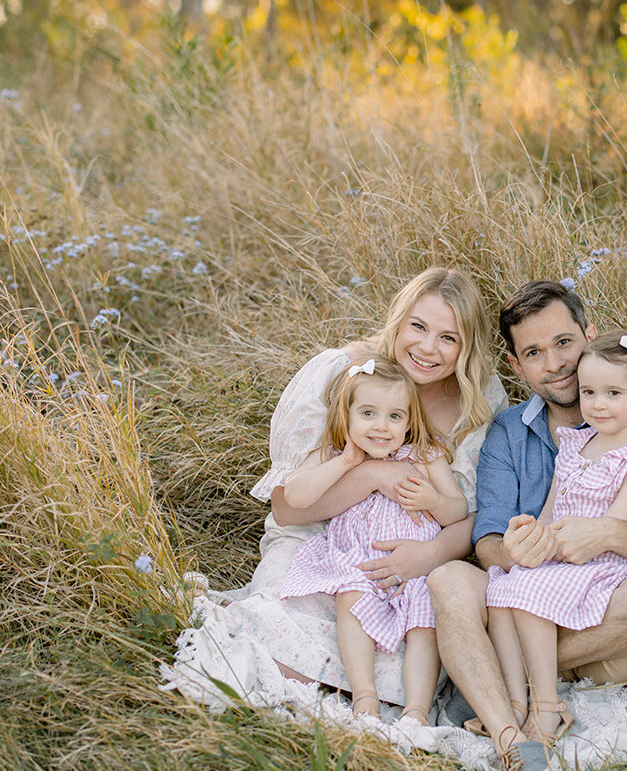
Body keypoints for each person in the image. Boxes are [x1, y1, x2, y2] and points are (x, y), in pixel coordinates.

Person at [163, 268, 508, 710]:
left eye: (448, 337)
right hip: (318, 539)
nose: (426, 348)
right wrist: (370, 476)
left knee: (414, 651)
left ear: (467, 347)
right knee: (275, 629)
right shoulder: (339, 372)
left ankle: (363, 693)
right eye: (418, 327)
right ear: (398, 321)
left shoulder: (479, 401)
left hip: (414, 553)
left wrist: (430, 555)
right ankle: (332, 685)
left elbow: (474, 511)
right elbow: (288, 509)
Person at [427, 281, 627, 771]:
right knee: (449, 578)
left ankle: (488, 679)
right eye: (534, 353)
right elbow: (487, 543)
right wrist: (522, 545)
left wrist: (608, 533)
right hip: (534, 591)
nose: (556, 364)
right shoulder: (509, 433)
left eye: (564, 343)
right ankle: (515, 743)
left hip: (612, 625)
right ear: (517, 367)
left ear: (590, 335)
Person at [483, 332, 627, 749]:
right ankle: (515, 702)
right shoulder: (575, 444)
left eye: (614, 392)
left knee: (530, 590)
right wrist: (533, 537)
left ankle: (546, 706)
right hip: (563, 554)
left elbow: (612, 532)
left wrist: (554, 549)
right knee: (500, 587)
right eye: (589, 392)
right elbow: (552, 510)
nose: (598, 404)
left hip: (604, 566)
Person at [273, 354, 467, 724]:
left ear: (410, 420)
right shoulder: (334, 453)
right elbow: (295, 496)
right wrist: (346, 462)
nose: (382, 427)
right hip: (356, 560)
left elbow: (457, 510)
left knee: (424, 621)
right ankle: (365, 696)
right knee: (352, 599)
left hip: (414, 568)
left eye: (395, 416)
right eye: (367, 414)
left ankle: (417, 709)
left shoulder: (425, 455)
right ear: (346, 415)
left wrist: (434, 501)